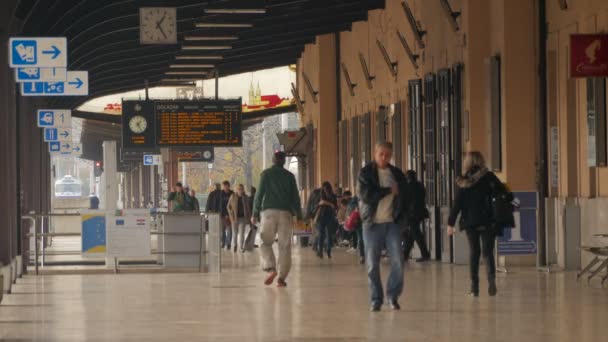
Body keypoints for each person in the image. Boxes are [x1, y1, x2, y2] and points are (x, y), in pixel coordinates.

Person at [448, 151, 508, 297]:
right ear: (481, 161)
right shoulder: (489, 177)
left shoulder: (464, 181)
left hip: (470, 222)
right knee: (487, 252)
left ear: (467, 163)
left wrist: (450, 223)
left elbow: (457, 204)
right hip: (488, 221)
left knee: (474, 253)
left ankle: (474, 288)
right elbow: (503, 193)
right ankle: (491, 281)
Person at [358, 141, 408, 312]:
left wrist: (403, 219)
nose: (384, 157)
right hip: (372, 224)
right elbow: (366, 196)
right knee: (372, 264)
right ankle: (376, 299)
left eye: (387, 155)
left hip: (392, 223)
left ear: (391, 155)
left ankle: (392, 296)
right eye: (381, 154)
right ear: (375, 153)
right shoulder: (365, 173)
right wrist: (388, 191)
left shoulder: (397, 174)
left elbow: (405, 197)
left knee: (398, 262)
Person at [252, 151, 302, 288]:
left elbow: (259, 194)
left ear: (273, 160)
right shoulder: (290, 176)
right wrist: (300, 215)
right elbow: (295, 198)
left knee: (264, 241)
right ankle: (281, 278)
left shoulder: (266, 174)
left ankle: (271, 268)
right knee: (285, 246)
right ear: (284, 162)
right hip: (286, 214)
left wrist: (255, 212)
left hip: (269, 213)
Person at [403, 170, 431, 262]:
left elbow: (406, 201)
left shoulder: (407, 187)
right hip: (420, 213)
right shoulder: (420, 185)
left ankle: (425, 254)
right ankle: (405, 254)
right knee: (412, 234)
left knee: (416, 233)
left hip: (412, 214)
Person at [314, 182, 338, 259]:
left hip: (329, 217)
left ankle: (328, 250)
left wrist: (328, 204)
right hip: (321, 216)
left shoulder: (333, 196)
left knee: (329, 234)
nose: (325, 190)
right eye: (324, 188)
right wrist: (330, 204)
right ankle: (320, 251)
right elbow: (320, 203)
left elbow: (335, 206)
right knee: (321, 234)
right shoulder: (320, 195)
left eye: (326, 188)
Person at [227, 184, 251, 253]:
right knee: (235, 233)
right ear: (236, 190)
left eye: (241, 189)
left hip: (243, 218)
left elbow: (248, 208)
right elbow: (228, 206)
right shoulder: (233, 196)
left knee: (242, 233)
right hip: (234, 218)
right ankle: (235, 245)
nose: (240, 190)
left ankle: (241, 247)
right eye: (239, 189)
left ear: (243, 190)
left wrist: (249, 218)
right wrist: (231, 215)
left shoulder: (246, 197)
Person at [220, 181, 234, 250]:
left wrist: (229, 214)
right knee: (222, 230)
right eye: (224, 186)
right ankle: (223, 242)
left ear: (229, 186)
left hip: (230, 215)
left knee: (229, 230)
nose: (225, 187)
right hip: (222, 215)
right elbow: (220, 205)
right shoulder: (220, 194)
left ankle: (228, 244)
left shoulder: (232, 193)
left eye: (227, 186)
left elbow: (233, 205)